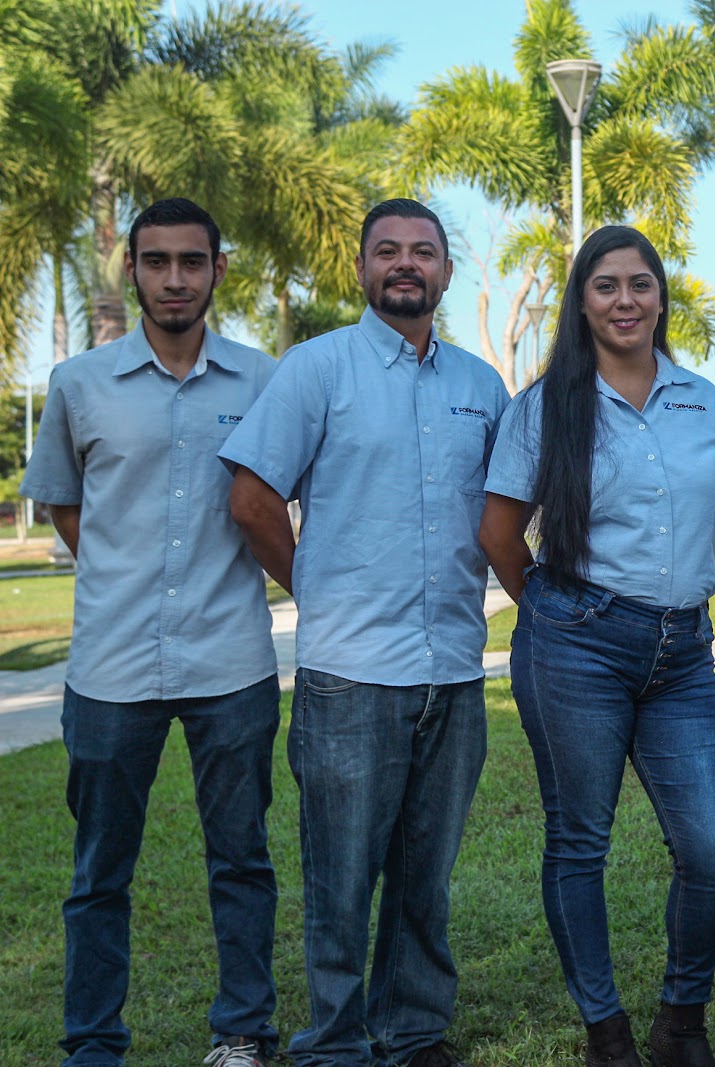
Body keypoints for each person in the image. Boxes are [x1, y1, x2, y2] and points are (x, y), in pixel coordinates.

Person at [221, 198, 510, 1067]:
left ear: (447, 271)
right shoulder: (315, 370)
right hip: (350, 672)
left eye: (423, 250)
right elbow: (252, 498)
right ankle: (335, 1042)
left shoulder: (481, 388)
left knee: (426, 871)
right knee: (341, 875)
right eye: (387, 250)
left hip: (453, 669)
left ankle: (412, 1030)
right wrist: (314, 586)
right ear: (361, 268)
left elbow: (506, 511)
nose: (405, 263)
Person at [478, 225, 715, 1067]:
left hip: (682, 653)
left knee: (713, 848)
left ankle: (681, 1022)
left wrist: (674, 592)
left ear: (661, 297)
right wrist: (557, 612)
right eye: (605, 285)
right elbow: (499, 533)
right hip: (576, 647)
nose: (624, 300)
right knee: (579, 840)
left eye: (639, 283)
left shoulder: (702, 398)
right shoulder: (545, 406)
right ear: (582, 302)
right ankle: (607, 1031)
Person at [21, 198, 281, 1067]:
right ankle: (94, 1044)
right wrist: (123, 576)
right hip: (110, 667)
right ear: (130, 269)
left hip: (231, 660)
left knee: (241, 858)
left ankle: (241, 1033)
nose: (175, 279)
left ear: (218, 269)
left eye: (192, 261)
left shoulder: (262, 381)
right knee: (99, 872)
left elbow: (275, 499)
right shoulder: (78, 383)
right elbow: (68, 507)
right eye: (157, 261)